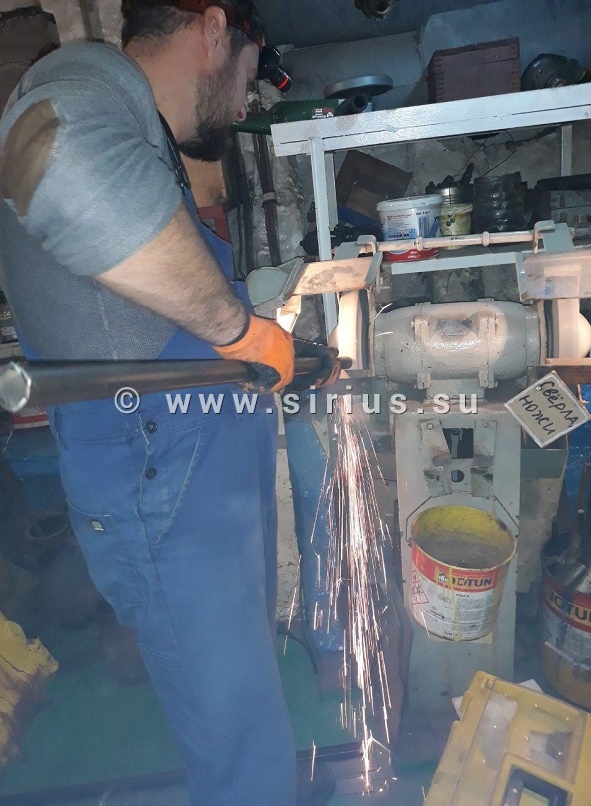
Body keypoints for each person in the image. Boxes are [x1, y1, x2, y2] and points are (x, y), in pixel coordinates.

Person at [0, 1, 340, 803]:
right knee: (234, 737)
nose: (247, 98)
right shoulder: (83, 81)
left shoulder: (140, 135)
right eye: (253, 72)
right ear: (214, 31)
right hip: (159, 472)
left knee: (244, 704)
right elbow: (56, 160)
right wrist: (236, 329)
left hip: (193, 473)